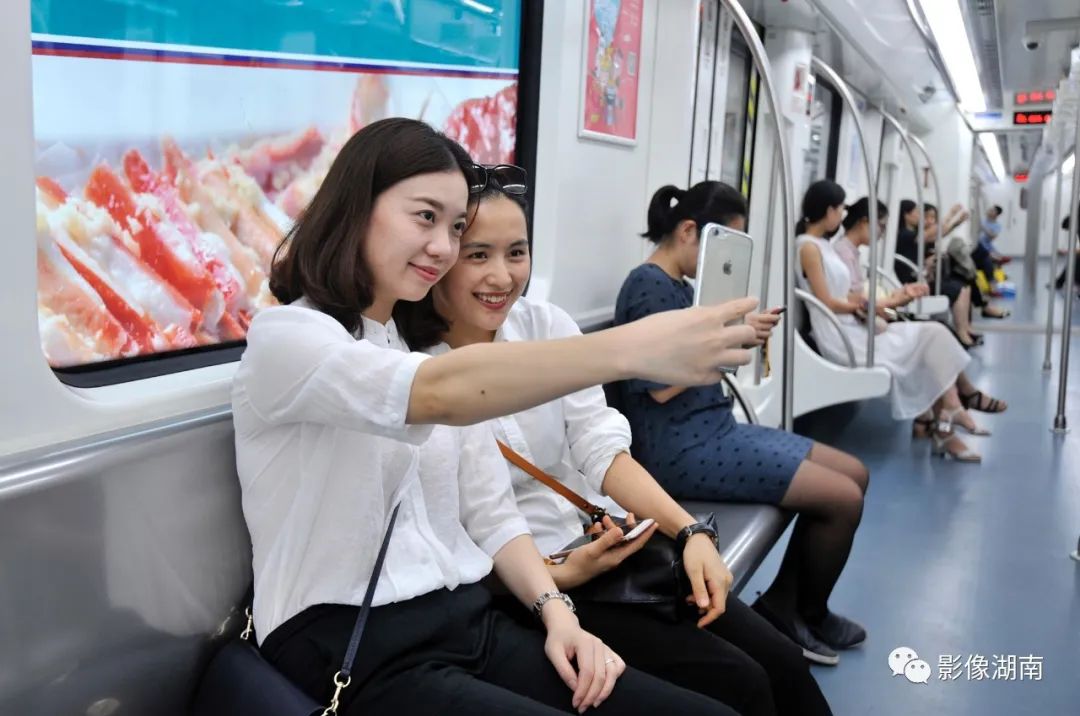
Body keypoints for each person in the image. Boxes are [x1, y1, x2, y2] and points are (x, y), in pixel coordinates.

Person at [234, 118, 759, 715]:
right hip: (349, 637)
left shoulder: (404, 347)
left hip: (463, 617)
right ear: (357, 208)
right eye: (425, 217)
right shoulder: (287, 339)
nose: (443, 247)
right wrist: (632, 348)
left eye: (456, 227)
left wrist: (559, 617)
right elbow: (437, 393)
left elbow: (490, 510)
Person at [401, 170, 833, 714]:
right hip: (527, 587)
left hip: (606, 541)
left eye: (517, 252)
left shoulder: (544, 325)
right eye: (478, 255)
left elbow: (599, 445)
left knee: (782, 662)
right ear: (441, 256)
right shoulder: (412, 376)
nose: (502, 276)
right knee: (741, 683)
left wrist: (690, 532)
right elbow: (462, 526)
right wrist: (558, 575)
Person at [598, 180, 870, 667]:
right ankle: (794, 612)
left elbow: (698, 360)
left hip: (714, 430)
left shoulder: (681, 289)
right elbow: (658, 386)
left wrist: (738, 336)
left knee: (855, 472)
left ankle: (798, 607)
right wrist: (732, 340)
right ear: (688, 231)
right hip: (680, 448)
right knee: (842, 498)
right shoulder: (647, 286)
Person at [796, 181, 1007, 463]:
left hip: (852, 324)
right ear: (829, 210)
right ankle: (949, 420)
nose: (842, 215)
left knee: (934, 334)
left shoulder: (823, 245)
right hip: (841, 335)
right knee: (928, 341)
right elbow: (827, 302)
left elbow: (845, 294)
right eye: (840, 209)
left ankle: (950, 414)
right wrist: (872, 306)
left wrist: (888, 301)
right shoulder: (808, 247)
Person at [836, 200, 981, 348]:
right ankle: (962, 337)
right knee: (939, 330)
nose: (882, 233)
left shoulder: (851, 252)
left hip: (873, 312)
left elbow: (865, 303)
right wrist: (894, 301)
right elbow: (859, 303)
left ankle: (963, 334)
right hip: (865, 319)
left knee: (938, 328)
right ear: (864, 222)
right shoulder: (845, 254)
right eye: (881, 226)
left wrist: (895, 299)